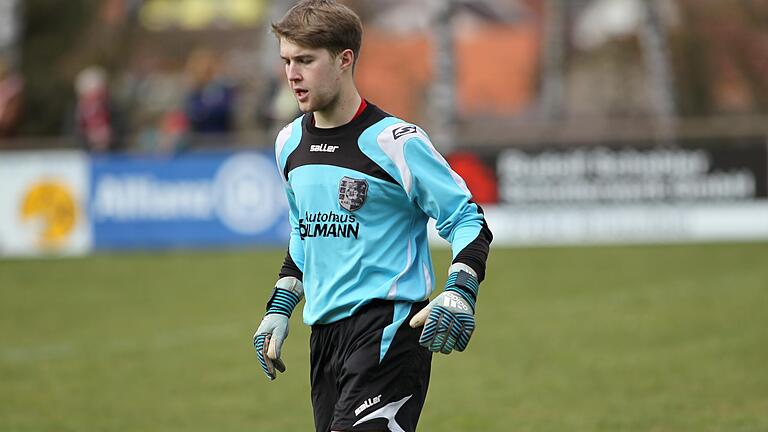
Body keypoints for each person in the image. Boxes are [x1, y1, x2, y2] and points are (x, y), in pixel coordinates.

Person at [252, 1, 493, 431]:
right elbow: (304, 236)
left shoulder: (395, 141)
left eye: (305, 60)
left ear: (345, 60)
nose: (292, 74)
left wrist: (460, 291)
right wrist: (279, 309)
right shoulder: (288, 144)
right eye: (287, 60)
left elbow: (468, 219)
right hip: (325, 339)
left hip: (389, 331)